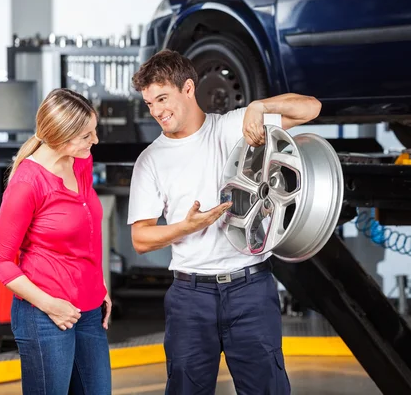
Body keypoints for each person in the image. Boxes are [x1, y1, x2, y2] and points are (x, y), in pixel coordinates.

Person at [128, 49, 321, 394]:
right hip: (190, 296)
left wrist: (259, 107)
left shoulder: (233, 126)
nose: (156, 111)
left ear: (188, 88)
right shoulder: (151, 161)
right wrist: (186, 227)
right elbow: (141, 239)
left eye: (162, 98)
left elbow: (311, 108)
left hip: (250, 289)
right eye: (149, 104)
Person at [0, 88, 112, 395]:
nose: (94, 141)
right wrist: (51, 306)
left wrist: (99, 286)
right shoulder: (27, 183)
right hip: (44, 314)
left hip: (89, 310)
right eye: (87, 135)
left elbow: (86, 232)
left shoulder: (80, 162)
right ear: (60, 137)